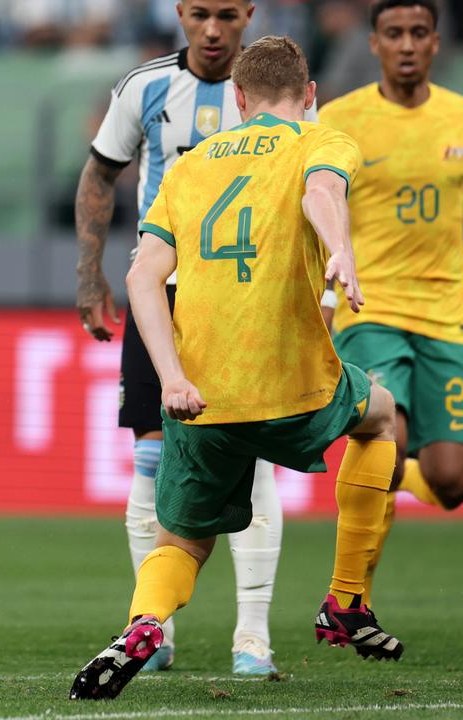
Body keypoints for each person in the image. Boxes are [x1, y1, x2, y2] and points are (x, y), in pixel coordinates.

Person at [70, 35, 404, 701]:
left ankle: (144, 623)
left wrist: (171, 379)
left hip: (202, 397)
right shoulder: (320, 137)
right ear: (310, 96)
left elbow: (141, 279)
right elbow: (322, 193)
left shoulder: (189, 169)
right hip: (295, 387)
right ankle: (346, 599)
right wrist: (340, 250)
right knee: (383, 415)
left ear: (239, 99)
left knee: (185, 540)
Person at [75, 0, 311, 676]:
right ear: (181, 13)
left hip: (248, 294)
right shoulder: (145, 86)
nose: (213, 29)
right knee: (151, 453)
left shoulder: (278, 92)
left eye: (227, 14)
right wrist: (90, 276)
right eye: (200, 14)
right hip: (162, 294)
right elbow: (100, 172)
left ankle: (252, 638)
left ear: (248, 14)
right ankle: (153, 630)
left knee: (253, 450)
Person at [319, 0, 463, 605]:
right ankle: (350, 599)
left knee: (450, 483)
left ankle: (381, 528)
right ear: (375, 44)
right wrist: (321, 296)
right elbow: (314, 213)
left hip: (446, 317)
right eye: (394, 33)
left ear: (437, 42)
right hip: (372, 312)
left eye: (419, 32)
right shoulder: (341, 119)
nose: (407, 44)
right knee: (384, 451)